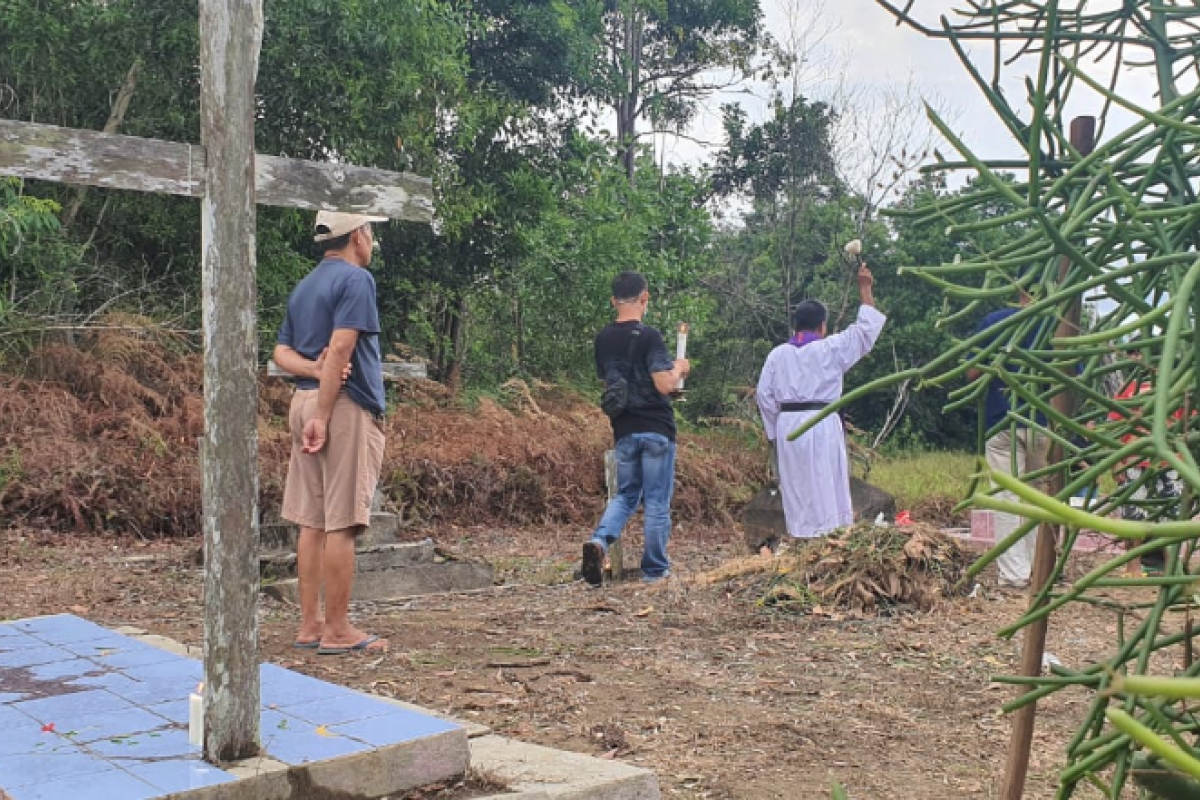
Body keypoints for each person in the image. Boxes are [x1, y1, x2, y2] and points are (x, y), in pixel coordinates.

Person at [273, 210, 390, 654]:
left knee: (312, 519)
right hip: (339, 408)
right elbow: (343, 345)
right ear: (358, 235)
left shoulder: (306, 285)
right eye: (371, 232)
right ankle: (339, 630)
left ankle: (310, 625)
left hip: (302, 401)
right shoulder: (357, 281)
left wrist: (312, 373)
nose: (372, 241)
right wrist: (325, 406)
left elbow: (281, 352)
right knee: (342, 519)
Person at [755, 265, 885, 540]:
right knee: (826, 485)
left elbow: (764, 396)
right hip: (822, 423)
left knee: (798, 488)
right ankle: (830, 538)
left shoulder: (778, 355)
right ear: (823, 326)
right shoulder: (829, 348)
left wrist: (774, 431)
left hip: (788, 426)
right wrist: (865, 288)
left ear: (796, 325)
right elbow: (865, 332)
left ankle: (801, 538)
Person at [581, 272, 690, 586]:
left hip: (624, 427)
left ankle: (600, 543)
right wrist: (680, 368)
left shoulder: (603, 338)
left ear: (614, 300)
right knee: (656, 500)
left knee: (626, 495)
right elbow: (664, 383)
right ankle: (655, 571)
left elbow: (610, 382)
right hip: (656, 427)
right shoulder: (649, 336)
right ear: (645, 297)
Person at [969, 289, 1050, 589]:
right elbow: (1074, 379)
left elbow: (973, 372)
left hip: (1002, 422)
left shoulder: (994, 322)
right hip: (1044, 424)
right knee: (1038, 497)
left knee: (1006, 499)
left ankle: (1015, 573)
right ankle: (1039, 568)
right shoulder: (1055, 326)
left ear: (1018, 289)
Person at [1107, 341, 1181, 575]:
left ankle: (1171, 566)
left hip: (1169, 460)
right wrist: (1117, 461)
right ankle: (1133, 566)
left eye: (1140, 352)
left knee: (1171, 512)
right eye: (1133, 353)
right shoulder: (1126, 391)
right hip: (1134, 460)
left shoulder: (1172, 386)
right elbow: (1115, 427)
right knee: (1133, 513)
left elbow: (1185, 422)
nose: (1137, 357)